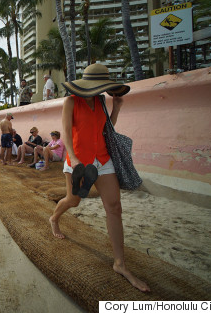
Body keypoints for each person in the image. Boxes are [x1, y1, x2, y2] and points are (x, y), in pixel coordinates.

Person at [49, 63, 149, 292]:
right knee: (73, 201)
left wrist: (118, 107)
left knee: (114, 206)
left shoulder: (102, 102)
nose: (100, 90)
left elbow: (106, 129)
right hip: (78, 160)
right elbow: (65, 131)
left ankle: (120, 264)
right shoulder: (71, 101)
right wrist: (73, 158)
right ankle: (54, 218)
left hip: (103, 160)